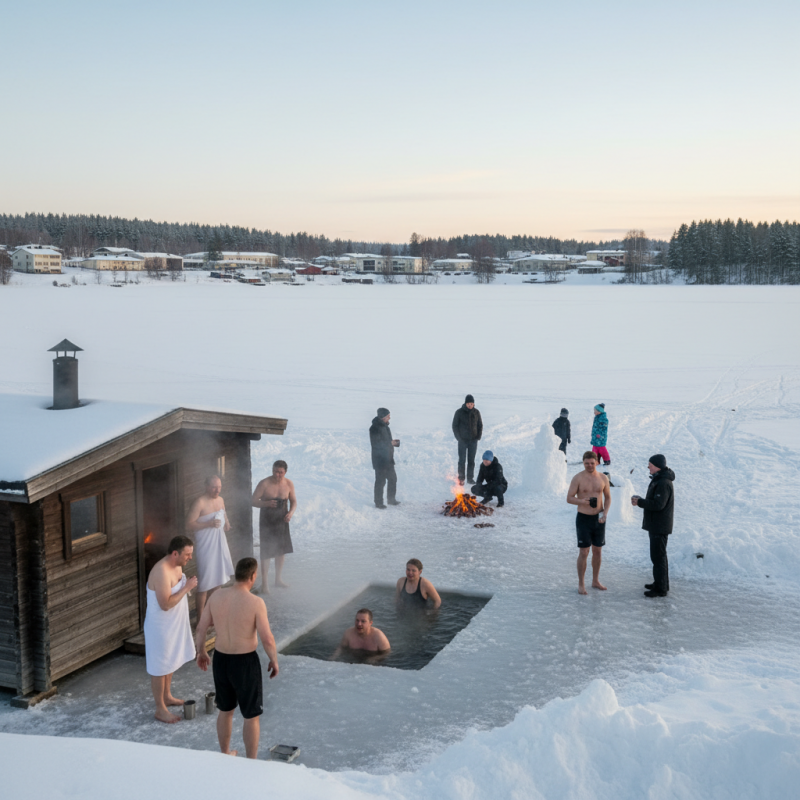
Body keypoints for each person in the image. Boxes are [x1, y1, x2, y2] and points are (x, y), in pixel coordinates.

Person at [196, 557, 279, 759]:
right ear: (253, 576)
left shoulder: (216, 597)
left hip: (221, 660)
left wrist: (201, 651)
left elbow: (201, 627)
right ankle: (251, 761)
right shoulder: (255, 602)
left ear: (236, 574)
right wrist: (274, 660)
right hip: (245, 663)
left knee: (226, 710)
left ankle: (225, 754)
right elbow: (267, 638)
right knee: (251, 715)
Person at [143, 535, 198, 724]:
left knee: (170, 660)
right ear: (175, 553)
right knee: (160, 666)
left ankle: (167, 695)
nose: (190, 558)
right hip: (160, 627)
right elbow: (165, 604)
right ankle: (160, 709)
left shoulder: (177, 565)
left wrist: (185, 585)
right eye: (187, 554)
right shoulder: (161, 572)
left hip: (174, 624)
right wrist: (188, 587)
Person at [185, 475, 234, 623]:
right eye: (214, 487)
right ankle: (201, 619)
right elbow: (189, 524)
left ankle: (212, 616)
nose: (217, 490)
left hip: (219, 543)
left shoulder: (221, 499)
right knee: (205, 583)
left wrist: (227, 524)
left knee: (218, 580)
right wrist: (209, 524)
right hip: (205, 546)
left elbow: (223, 513)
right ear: (206, 486)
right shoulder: (200, 502)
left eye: (219, 487)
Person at [631, 454, 676, 598]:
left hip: (659, 525)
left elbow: (658, 505)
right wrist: (642, 501)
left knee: (658, 557)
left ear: (657, 466)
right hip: (657, 524)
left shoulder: (663, 483)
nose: (648, 466)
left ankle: (661, 588)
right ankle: (660, 583)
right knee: (658, 557)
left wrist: (640, 502)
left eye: (650, 464)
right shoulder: (660, 479)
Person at [567, 451, 611, 595]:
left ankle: (595, 580)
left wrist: (605, 513)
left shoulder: (603, 478)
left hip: (599, 518)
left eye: (592, 463)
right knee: (584, 552)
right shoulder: (578, 478)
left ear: (597, 462)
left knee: (597, 551)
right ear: (583, 463)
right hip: (583, 518)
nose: (590, 465)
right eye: (587, 463)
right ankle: (581, 584)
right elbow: (569, 498)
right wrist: (582, 501)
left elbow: (608, 497)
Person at [251, 460, 297, 594]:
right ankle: (265, 584)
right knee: (266, 551)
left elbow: (294, 502)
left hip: (282, 519)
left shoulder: (289, 484)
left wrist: (291, 513)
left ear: (285, 472)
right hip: (267, 519)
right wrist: (265, 504)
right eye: (275, 471)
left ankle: (278, 579)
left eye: (280, 472)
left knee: (281, 550)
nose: (277, 475)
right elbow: (253, 500)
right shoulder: (264, 483)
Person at [369, 407, 400, 509]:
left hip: (388, 459)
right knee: (380, 481)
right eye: (388, 416)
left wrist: (393, 443)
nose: (389, 418)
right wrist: (390, 443)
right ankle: (378, 503)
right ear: (383, 417)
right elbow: (376, 443)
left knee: (393, 479)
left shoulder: (385, 426)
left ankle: (391, 499)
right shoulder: (374, 428)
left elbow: (385, 442)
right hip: (380, 460)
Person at [452, 393, 483, 485]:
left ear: (474, 404)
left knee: (471, 460)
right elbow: (455, 426)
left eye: (471, 404)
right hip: (462, 440)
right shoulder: (459, 412)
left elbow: (480, 425)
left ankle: (470, 478)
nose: (470, 405)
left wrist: (478, 436)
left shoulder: (476, 412)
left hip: (473, 441)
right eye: (468, 403)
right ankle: (461, 478)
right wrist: (459, 438)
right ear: (465, 403)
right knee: (462, 460)